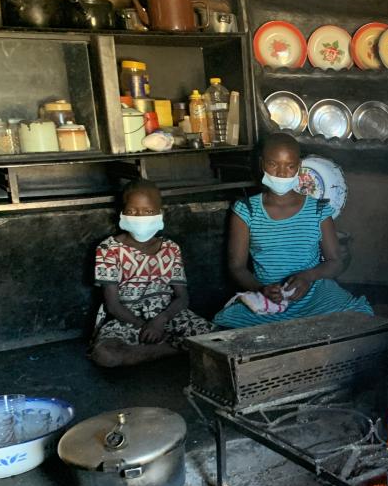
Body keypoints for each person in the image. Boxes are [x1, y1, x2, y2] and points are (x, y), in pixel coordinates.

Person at [213, 133, 372, 328]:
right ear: (262, 164)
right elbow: (237, 267)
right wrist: (261, 288)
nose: (281, 173)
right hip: (268, 297)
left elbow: (335, 262)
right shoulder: (247, 210)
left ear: (298, 167)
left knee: (358, 316)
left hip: (315, 294)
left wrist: (308, 277)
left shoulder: (318, 209)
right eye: (273, 164)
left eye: (289, 166)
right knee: (227, 325)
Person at [90, 179, 215, 367]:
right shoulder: (109, 249)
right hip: (126, 320)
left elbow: (182, 298)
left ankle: (163, 349)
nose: (140, 217)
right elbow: (113, 305)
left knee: (219, 339)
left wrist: (160, 321)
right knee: (106, 355)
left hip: (169, 316)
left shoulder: (171, 248)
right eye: (132, 211)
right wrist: (144, 327)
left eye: (148, 211)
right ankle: (177, 348)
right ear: (122, 214)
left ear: (159, 214)